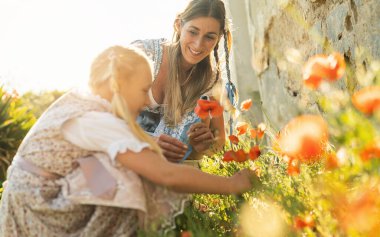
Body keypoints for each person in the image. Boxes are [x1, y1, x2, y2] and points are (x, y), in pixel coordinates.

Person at [0, 45, 258, 236]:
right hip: (37, 211)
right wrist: (232, 184)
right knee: (127, 177)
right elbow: (165, 175)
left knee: (118, 171)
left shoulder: (81, 104)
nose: (147, 101)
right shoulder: (99, 120)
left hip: (30, 199)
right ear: (117, 86)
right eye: (143, 90)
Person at [132, 0, 233, 162]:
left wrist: (202, 146)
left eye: (209, 37)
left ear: (219, 37)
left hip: (169, 174)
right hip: (121, 161)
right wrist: (148, 142)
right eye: (193, 32)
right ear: (179, 25)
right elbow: (104, 114)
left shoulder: (211, 83)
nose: (198, 45)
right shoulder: (145, 55)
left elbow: (218, 145)